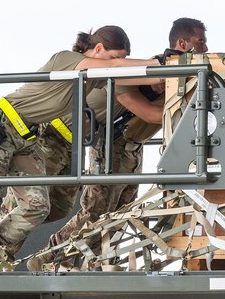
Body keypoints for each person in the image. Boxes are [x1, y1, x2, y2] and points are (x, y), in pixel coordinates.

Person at [0, 26, 162, 273]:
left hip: (27, 136)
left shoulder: (95, 77)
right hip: (0, 127)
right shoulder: (66, 60)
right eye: (115, 57)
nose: (116, 63)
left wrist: (164, 73)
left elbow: (126, 77)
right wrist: (156, 62)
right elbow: (115, 70)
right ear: (99, 49)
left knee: (39, 206)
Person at [27, 18, 209, 271]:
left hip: (131, 148)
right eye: (201, 42)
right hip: (110, 146)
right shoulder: (124, 79)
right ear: (182, 44)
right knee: (95, 212)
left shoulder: (180, 77)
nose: (206, 47)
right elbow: (150, 114)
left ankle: (97, 263)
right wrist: (195, 106)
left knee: (123, 212)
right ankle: (48, 257)